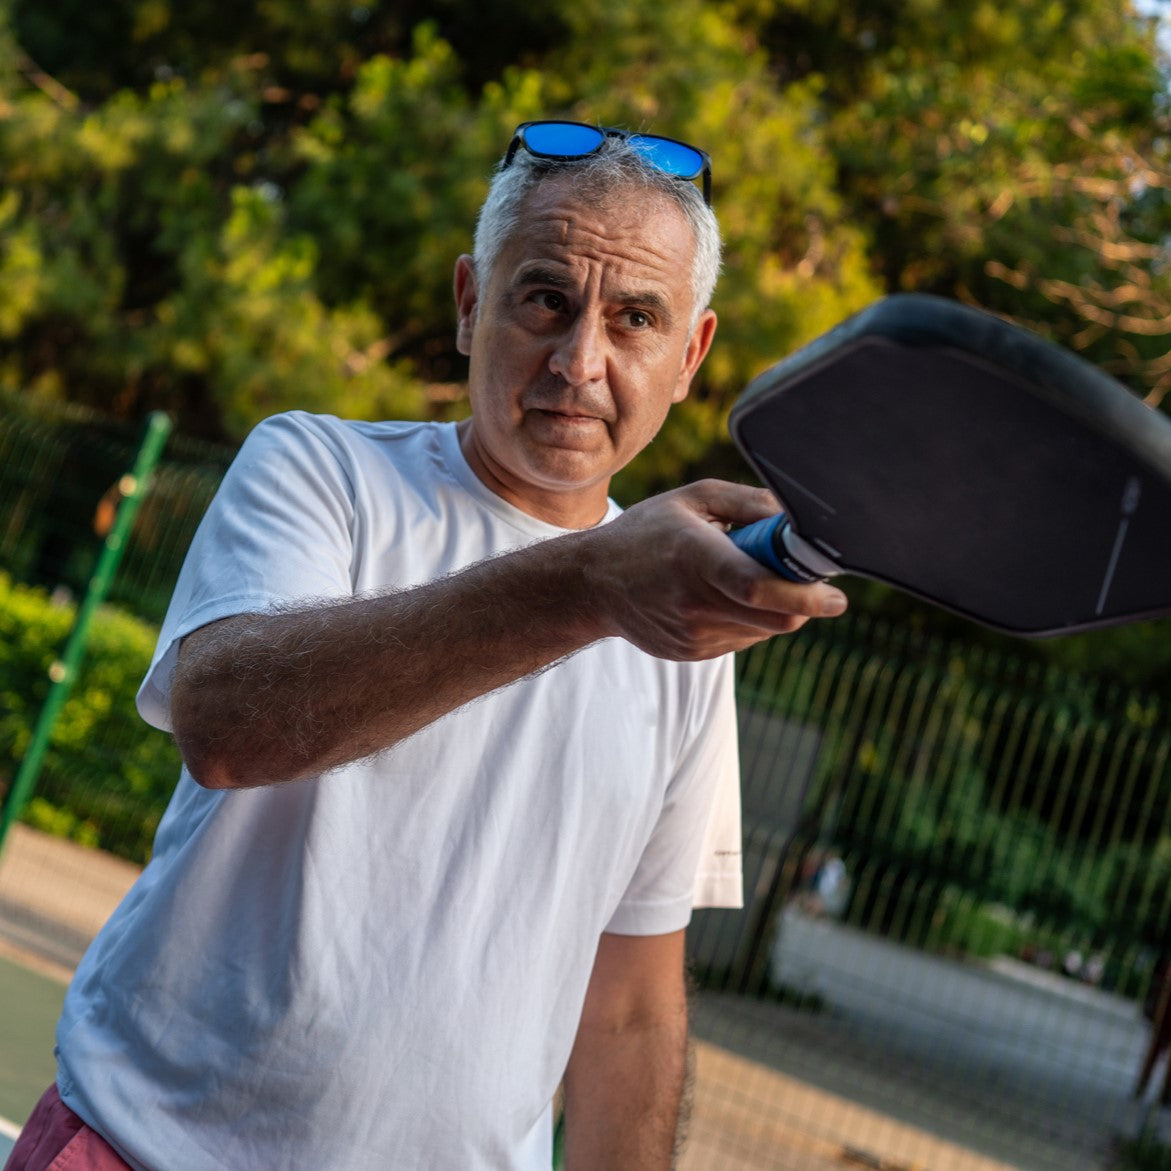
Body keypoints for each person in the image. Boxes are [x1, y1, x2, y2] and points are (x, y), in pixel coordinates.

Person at [6, 120, 848, 1171]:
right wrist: (589, 586)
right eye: (545, 296)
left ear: (690, 356)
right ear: (468, 303)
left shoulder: (683, 628)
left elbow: (628, 1008)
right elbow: (227, 724)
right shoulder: (318, 469)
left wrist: (618, 589)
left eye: (635, 317)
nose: (580, 359)